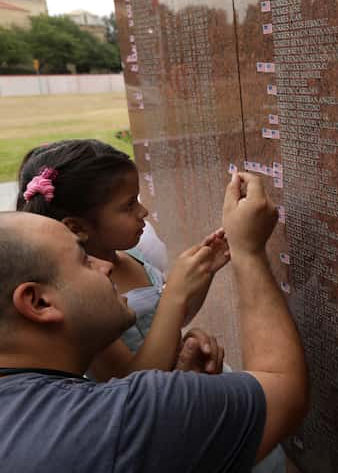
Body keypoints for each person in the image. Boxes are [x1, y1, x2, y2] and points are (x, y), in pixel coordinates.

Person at [0, 171, 308, 471]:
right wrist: (248, 250)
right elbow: (283, 390)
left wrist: (179, 393)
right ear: (39, 302)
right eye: (83, 260)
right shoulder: (112, 422)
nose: (104, 267)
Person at [16, 140, 227, 378]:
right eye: (129, 206)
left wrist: (204, 271)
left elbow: (171, 318)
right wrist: (176, 292)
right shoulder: (80, 298)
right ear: (76, 227)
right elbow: (128, 383)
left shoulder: (134, 256)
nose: (143, 212)